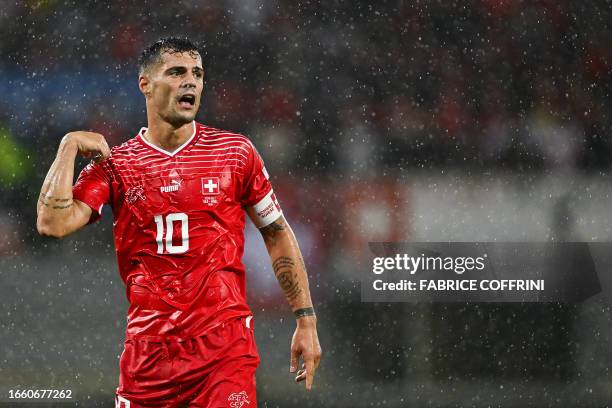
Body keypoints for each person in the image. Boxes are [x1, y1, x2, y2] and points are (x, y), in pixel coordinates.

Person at [36, 37, 322, 408]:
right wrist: (68, 146)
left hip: (223, 353)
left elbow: (277, 233)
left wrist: (306, 320)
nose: (191, 82)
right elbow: (51, 223)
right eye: (177, 72)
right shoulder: (117, 165)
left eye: (197, 74)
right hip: (149, 358)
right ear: (146, 84)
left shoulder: (234, 153)